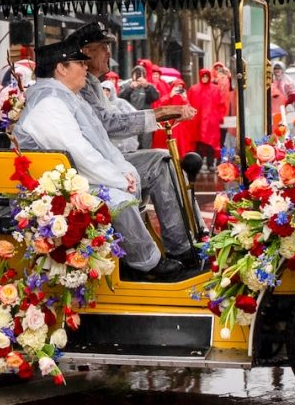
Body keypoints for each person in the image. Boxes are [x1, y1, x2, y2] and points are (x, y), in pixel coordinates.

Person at [14, 42, 186, 279]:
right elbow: (79, 152)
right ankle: (145, 265)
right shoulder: (49, 102)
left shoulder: (68, 96)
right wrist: (118, 179)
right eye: (79, 63)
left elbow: (101, 142)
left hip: (76, 176)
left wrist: (123, 170)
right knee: (119, 200)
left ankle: (180, 247)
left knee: (154, 165)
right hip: (57, 186)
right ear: (61, 68)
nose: (86, 68)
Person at [70, 22, 197, 264]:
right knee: (160, 161)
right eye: (103, 47)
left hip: (104, 157)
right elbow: (109, 123)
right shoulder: (82, 86)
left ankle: (185, 240)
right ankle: (177, 248)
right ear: (86, 52)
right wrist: (159, 113)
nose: (109, 53)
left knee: (162, 158)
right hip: (90, 166)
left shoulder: (92, 83)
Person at [187, 69, 226, 170]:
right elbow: (189, 103)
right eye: (203, 76)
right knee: (199, 145)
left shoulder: (215, 89)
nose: (205, 78)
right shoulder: (194, 89)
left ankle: (210, 163)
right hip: (198, 121)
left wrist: (220, 117)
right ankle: (198, 164)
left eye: (206, 76)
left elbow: (221, 104)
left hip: (211, 122)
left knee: (211, 144)